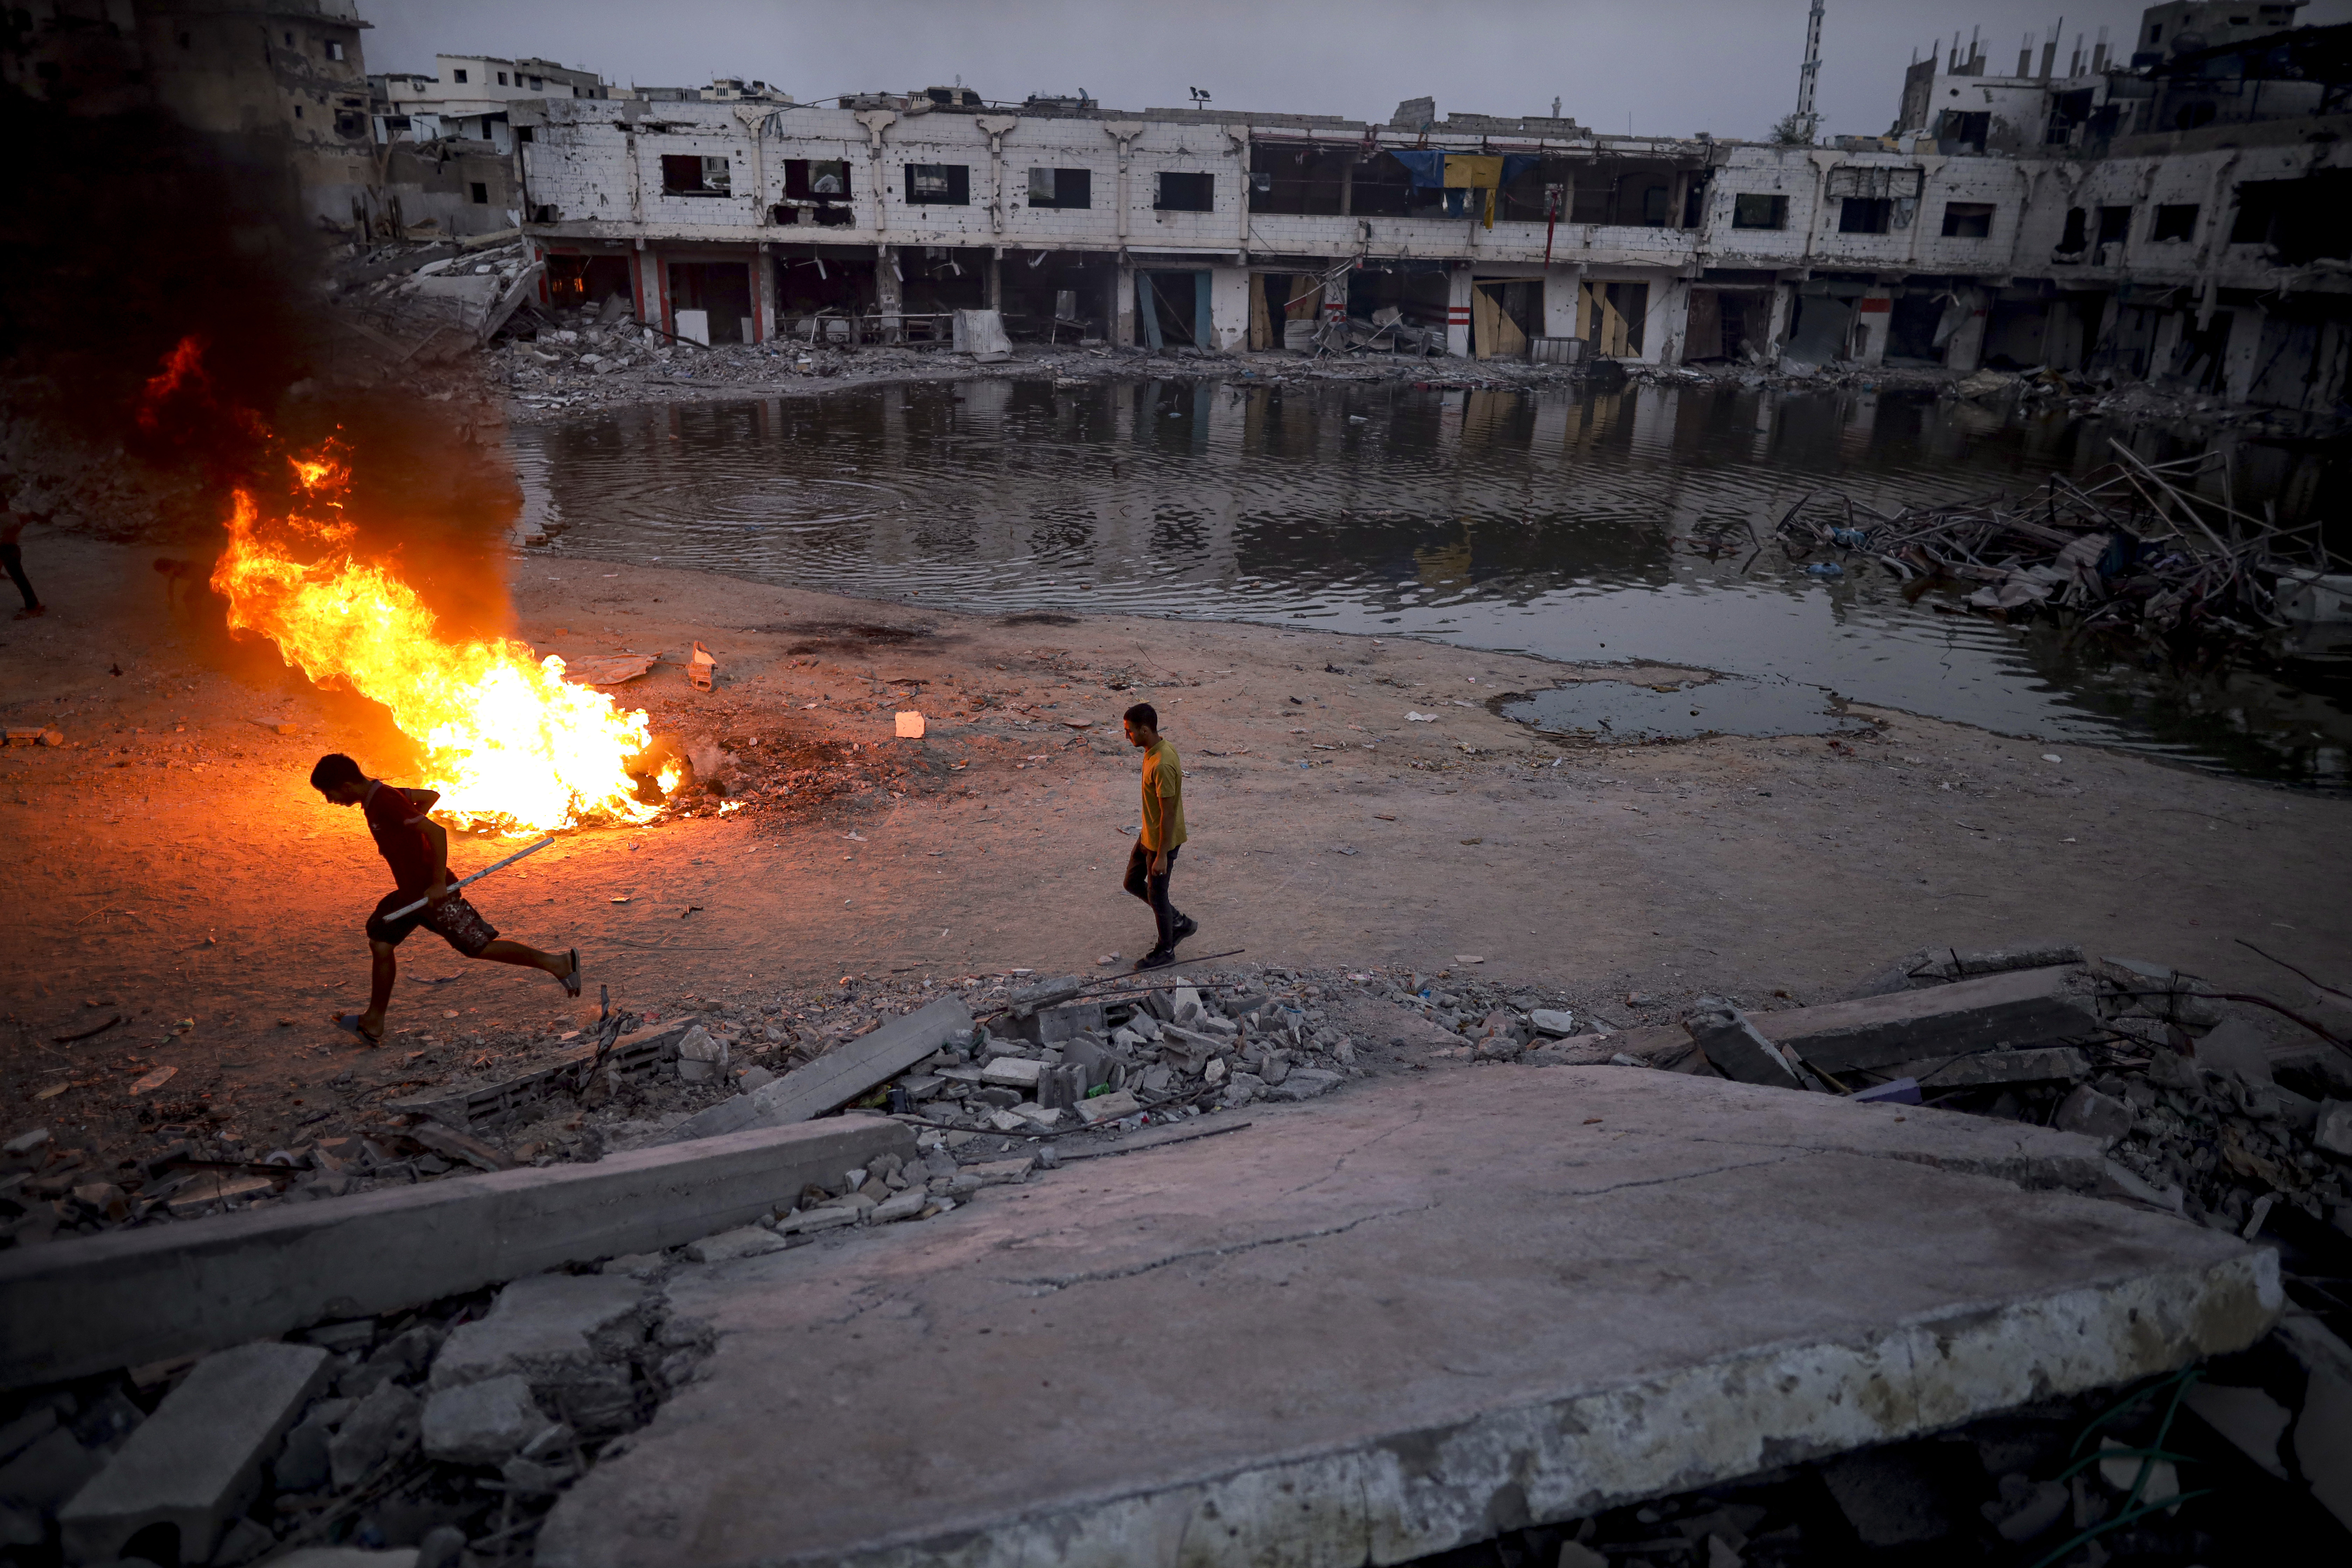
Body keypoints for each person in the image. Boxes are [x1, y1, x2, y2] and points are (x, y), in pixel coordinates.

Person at [309, 752, 579, 1045]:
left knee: (478, 947)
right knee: (380, 940)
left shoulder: (386, 800)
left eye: (329, 793)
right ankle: (373, 1021)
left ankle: (559, 964)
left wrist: (438, 883)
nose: (329, 800)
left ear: (347, 786)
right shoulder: (381, 796)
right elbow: (429, 796)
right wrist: (404, 837)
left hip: (432, 896)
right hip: (410, 896)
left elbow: (436, 833)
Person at [1121, 702, 1196, 971]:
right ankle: (1178, 923)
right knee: (1132, 883)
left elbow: (1169, 813)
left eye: (1129, 732)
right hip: (1148, 836)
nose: (1127, 736)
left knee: (1158, 895)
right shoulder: (1154, 750)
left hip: (1162, 841)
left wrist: (1162, 855)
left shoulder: (1163, 763)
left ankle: (1166, 950)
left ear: (1145, 730)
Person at [1, 505, 43, 620]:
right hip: (12, 549)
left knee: (20, 580)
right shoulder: (13, 513)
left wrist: (8, 534)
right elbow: (26, 518)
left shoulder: (2, 518)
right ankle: (34, 606)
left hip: (7, 550)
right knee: (20, 579)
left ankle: (34, 607)